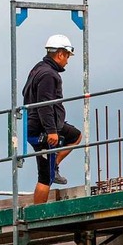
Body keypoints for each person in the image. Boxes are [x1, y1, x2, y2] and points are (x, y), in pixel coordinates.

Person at [22, 34, 82, 204]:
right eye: (67, 56)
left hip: (39, 124)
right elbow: (45, 104)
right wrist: (51, 131)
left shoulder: (38, 69)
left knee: (75, 136)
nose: (67, 61)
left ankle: (53, 164)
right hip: (42, 129)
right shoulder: (49, 75)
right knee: (45, 177)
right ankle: (37, 214)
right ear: (60, 54)